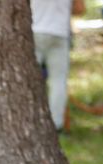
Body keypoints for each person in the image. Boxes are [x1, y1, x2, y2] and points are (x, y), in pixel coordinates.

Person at [33, 0, 87, 131]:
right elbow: (80, 9)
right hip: (59, 32)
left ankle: (31, 119)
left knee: (30, 80)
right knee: (58, 81)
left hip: (35, 30)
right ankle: (56, 123)